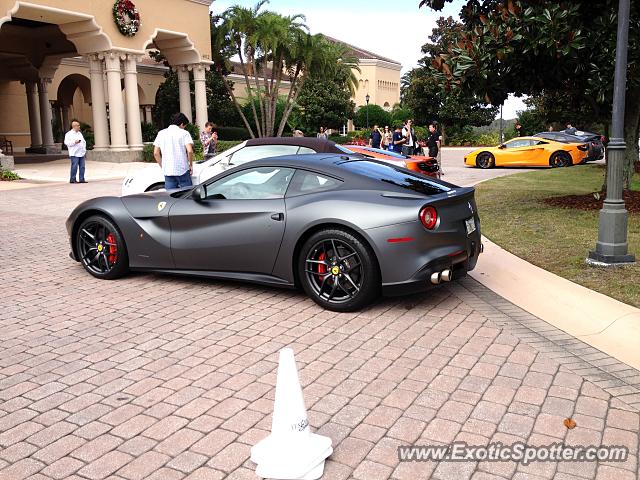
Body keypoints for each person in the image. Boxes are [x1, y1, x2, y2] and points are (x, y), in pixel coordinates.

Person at [153, 112, 194, 190]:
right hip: (183, 170)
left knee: (171, 197)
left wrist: (163, 166)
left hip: (168, 171)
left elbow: (155, 153)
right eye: (185, 126)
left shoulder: (161, 133)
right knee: (188, 196)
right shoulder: (184, 133)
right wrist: (190, 164)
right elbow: (189, 151)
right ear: (182, 124)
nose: (184, 128)